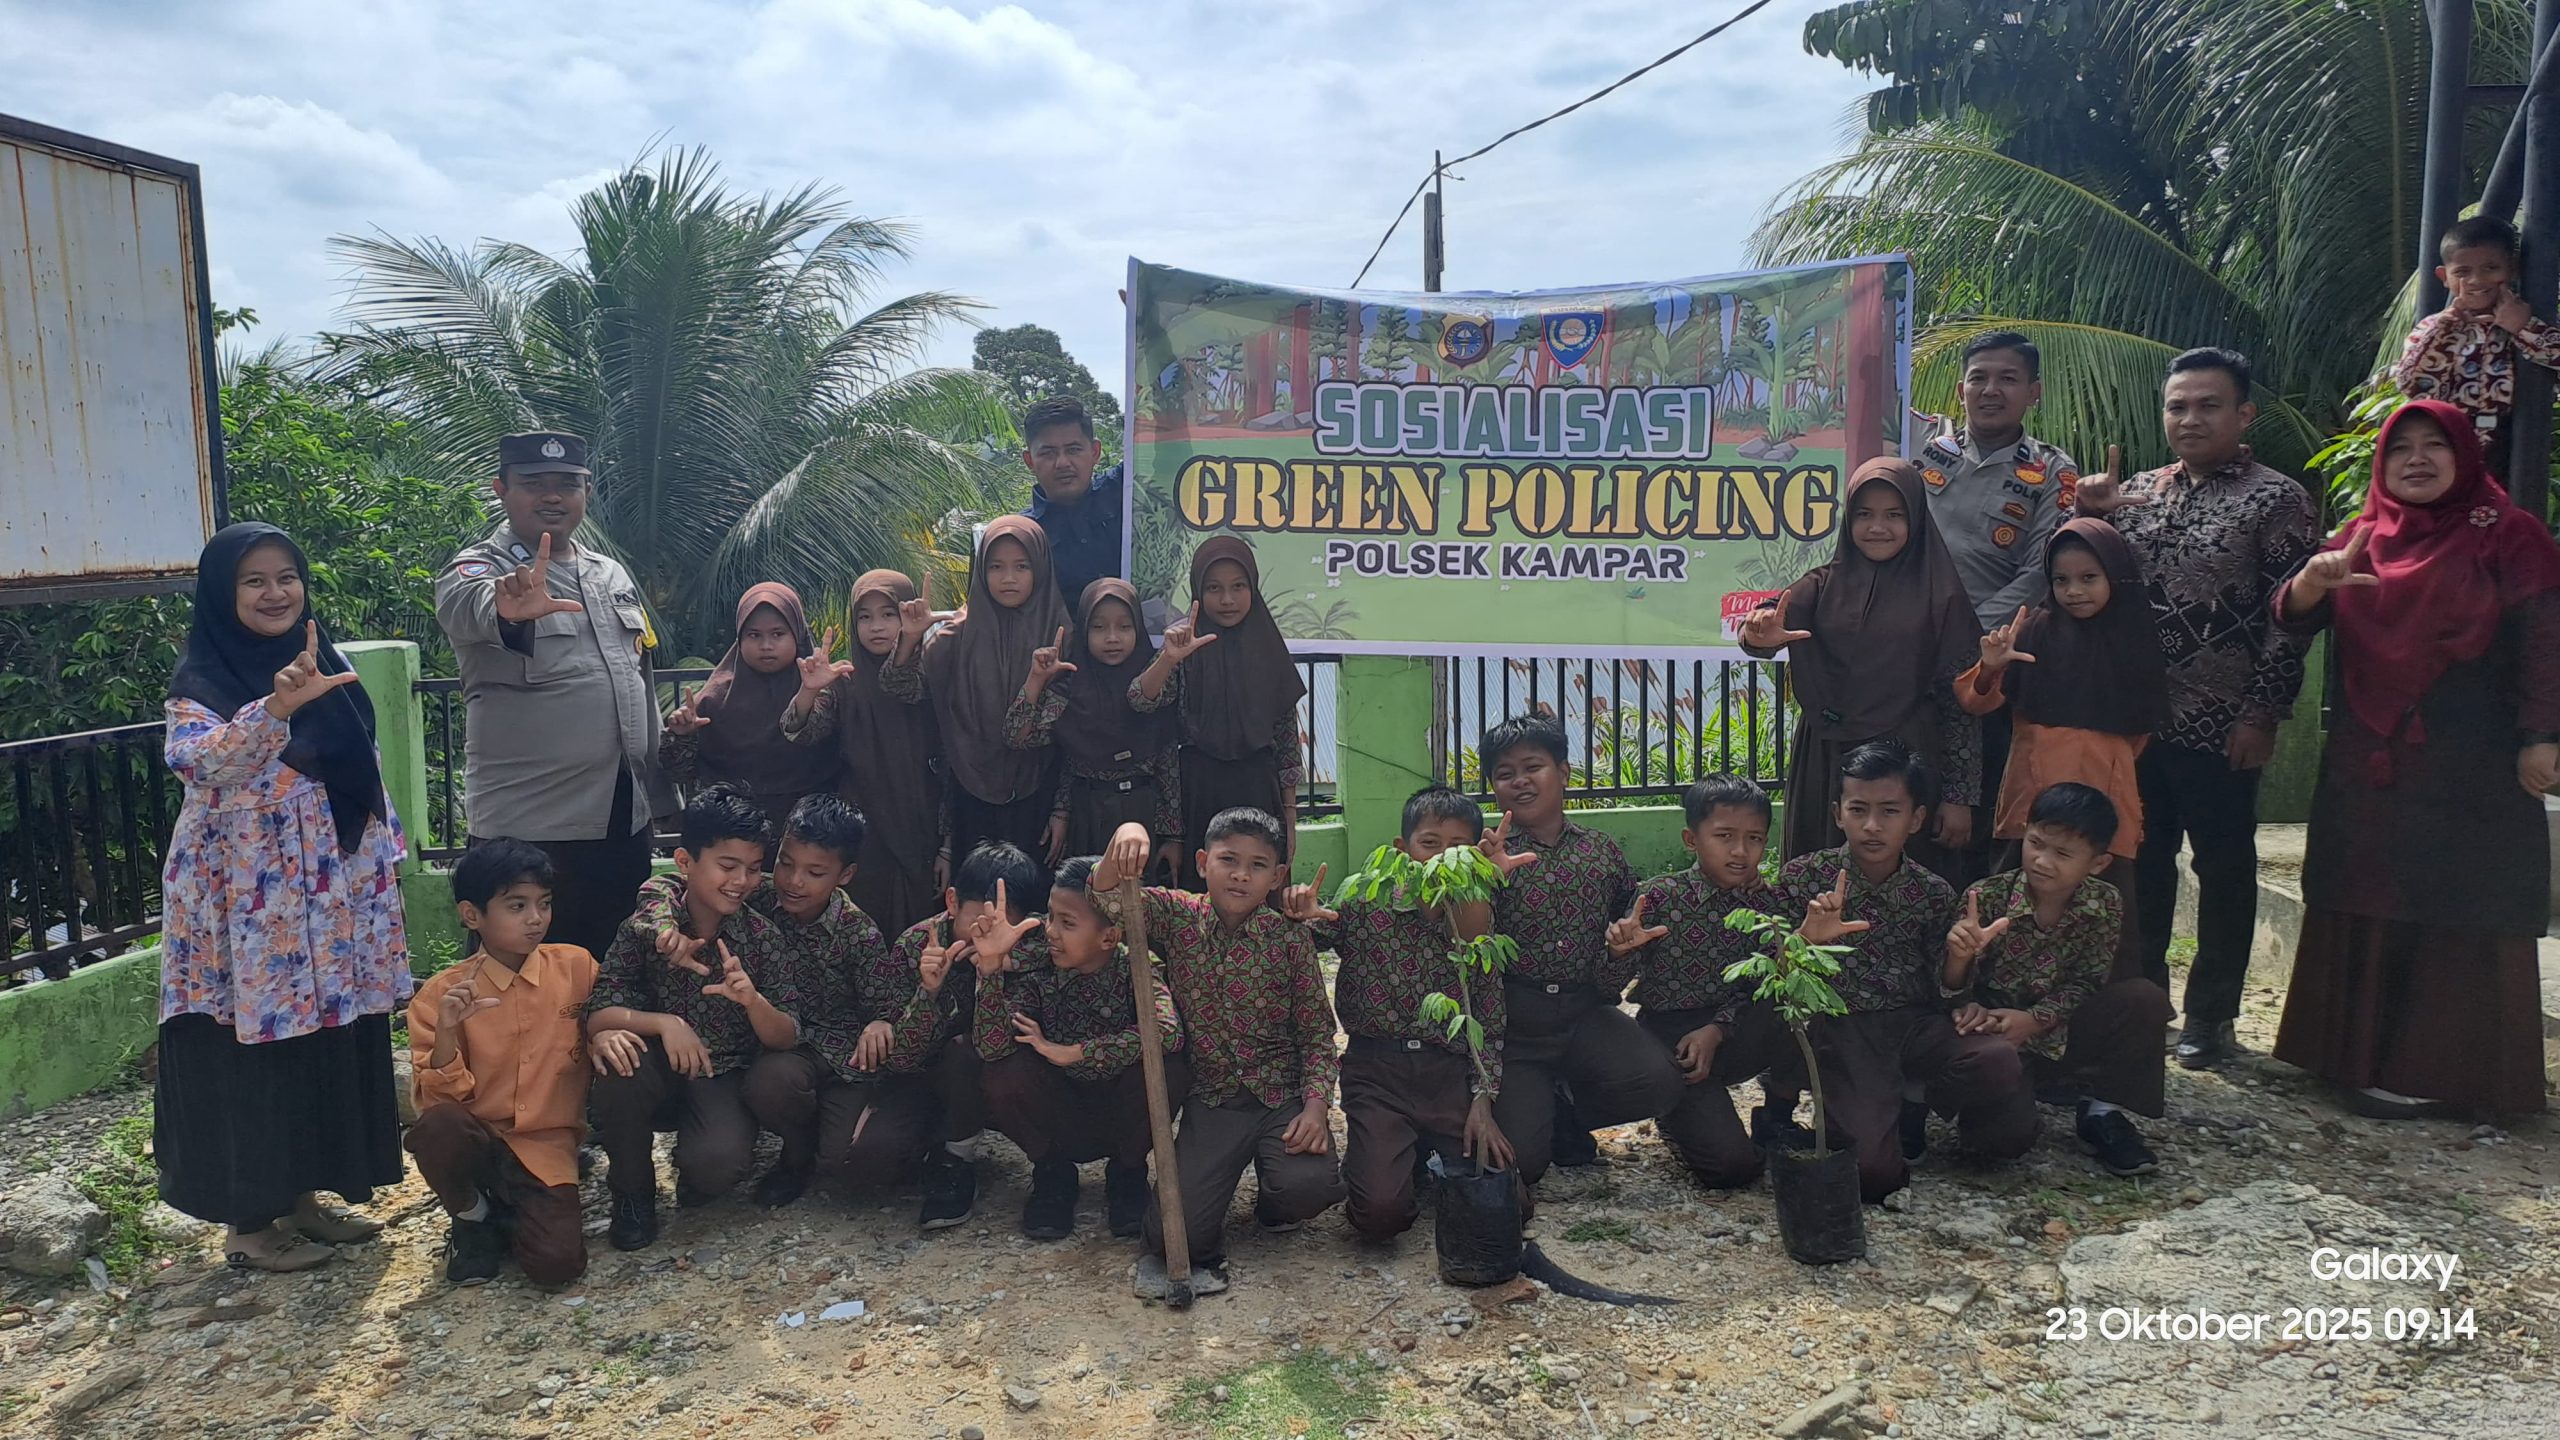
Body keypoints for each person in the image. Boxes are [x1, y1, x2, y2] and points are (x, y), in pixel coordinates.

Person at [2271, 399, 2560, 1118]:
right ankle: (2352, 1060)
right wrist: (2311, 583)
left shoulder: (2510, 534)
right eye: (2401, 449)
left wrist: (2543, 735)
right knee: (2365, 890)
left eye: (2436, 445)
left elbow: (2545, 643)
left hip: (2472, 759)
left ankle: (2446, 1074)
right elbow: (2294, 612)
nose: (2417, 460)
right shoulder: (2364, 533)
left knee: (2458, 896)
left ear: (2468, 455)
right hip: (2369, 757)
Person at [156, 523, 409, 1272]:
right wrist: (272, 709)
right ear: (222, 594)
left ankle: (303, 1195)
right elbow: (200, 764)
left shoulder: (322, 663)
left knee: (321, 1041)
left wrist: (382, 862)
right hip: (246, 910)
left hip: (328, 901)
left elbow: (360, 769)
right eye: (254, 581)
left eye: (286, 577)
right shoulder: (201, 681)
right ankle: (248, 1223)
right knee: (251, 1050)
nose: (275, 593)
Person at [2076, 348, 2318, 1068]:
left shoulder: (2277, 500)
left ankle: (2212, 1015)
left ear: (2244, 415)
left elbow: (2292, 619)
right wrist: (2088, 514)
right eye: (2177, 406)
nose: (2190, 419)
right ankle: (2147, 1000)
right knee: (2143, 863)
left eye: (2208, 405)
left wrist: (2262, 713)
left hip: (2223, 721)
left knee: (2224, 865)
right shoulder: (2137, 492)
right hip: (2138, 722)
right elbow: (2082, 581)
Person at [435, 431, 666, 962]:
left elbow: (635, 674)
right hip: (529, 828)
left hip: (619, 819)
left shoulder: (609, 574)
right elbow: (468, 607)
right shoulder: (479, 568)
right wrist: (507, 611)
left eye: (568, 484)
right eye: (534, 483)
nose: (553, 496)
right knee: (519, 983)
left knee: (615, 973)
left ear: (587, 491)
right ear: (501, 489)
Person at [1094, 811, 1345, 1298]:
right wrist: (1126, 832)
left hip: (1281, 1098)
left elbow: (1317, 1035)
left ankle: (1275, 1199)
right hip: (1213, 1099)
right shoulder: (1177, 916)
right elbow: (1106, 898)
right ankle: (1207, 1197)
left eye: (1257, 865)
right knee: (1176, 1236)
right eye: (1228, 860)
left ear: (1277, 876)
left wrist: (1316, 1108)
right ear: (1203, 862)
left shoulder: (1289, 937)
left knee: (1308, 1186)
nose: (1240, 875)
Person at [1774, 742, 2038, 1204]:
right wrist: (1805, 940)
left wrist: (1959, 956)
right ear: (1838, 814)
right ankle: (1863, 1110)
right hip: (1845, 1029)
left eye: (1889, 811)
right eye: (1859, 810)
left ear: (1916, 819)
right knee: (1873, 1175)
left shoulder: (1932, 891)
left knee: (2000, 1079)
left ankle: (1914, 1100)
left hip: (1915, 1024)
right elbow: (1770, 979)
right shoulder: (1803, 879)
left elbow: (1947, 990)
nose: (1872, 826)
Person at [635, 794, 907, 1209]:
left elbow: (887, 1002)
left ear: (845, 874)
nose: (794, 881)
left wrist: (880, 1022)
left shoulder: (858, 933)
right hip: (780, 1050)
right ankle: (794, 1153)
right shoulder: (756, 893)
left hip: (841, 1060)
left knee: (845, 1161)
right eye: (785, 863)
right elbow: (668, 882)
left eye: (815, 872)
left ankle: (829, 1136)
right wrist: (662, 924)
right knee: (771, 1082)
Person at [1288, 786, 1522, 1242]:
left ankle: (1415, 1155)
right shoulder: (1367, 901)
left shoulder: (1476, 920)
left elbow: (1489, 1017)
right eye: (1429, 844)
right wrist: (1301, 914)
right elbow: (1318, 932)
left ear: (1476, 856)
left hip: (1448, 1073)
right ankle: (1381, 1157)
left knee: (1509, 1202)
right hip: (1378, 1072)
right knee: (1379, 1214)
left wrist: (1483, 1100)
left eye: (1458, 848)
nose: (1441, 859)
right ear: (1403, 849)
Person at [585, 784, 813, 1250]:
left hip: (721, 1074)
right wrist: (665, 1024)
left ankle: (698, 1162)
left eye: (753, 868)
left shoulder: (761, 938)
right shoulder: (648, 929)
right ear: (685, 862)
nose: (741, 881)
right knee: (618, 1061)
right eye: (727, 866)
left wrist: (753, 1001)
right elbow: (598, 1013)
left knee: (716, 1168)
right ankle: (632, 1195)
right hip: (655, 1068)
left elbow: (787, 1035)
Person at [1604, 776, 1853, 1189]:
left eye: (1754, 839)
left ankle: (1776, 1115)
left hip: (1740, 1026)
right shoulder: (1659, 898)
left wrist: (1718, 1028)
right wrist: (1618, 954)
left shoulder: (1769, 904)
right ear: (1691, 839)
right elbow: (1607, 989)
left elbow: (1769, 986)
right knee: (1732, 1168)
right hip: (1674, 1037)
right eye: (1724, 836)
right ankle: (1677, 1113)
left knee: (1800, 1003)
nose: (1740, 851)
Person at [1740, 458, 1982, 877]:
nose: (1877, 527)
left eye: (1894, 515)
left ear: (1916, 519)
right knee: (1816, 876)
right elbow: (1771, 619)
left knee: (1904, 880)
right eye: (1864, 514)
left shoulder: (1941, 595)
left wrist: (1959, 796)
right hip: (1827, 755)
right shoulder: (1824, 583)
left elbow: (1960, 699)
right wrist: (1757, 634)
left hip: (1907, 756)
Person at [408, 839, 633, 1286]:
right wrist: (448, 1033)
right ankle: (471, 1217)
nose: (536, 918)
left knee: (558, 1266)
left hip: (545, 1148)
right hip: (477, 1139)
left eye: (544, 904)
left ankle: (505, 1215)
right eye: (517, 906)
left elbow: (609, 1012)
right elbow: (435, 1104)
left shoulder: (576, 968)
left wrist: (605, 1029)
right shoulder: (441, 995)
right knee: (438, 1129)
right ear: (472, 915)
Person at [1477, 714, 1685, 1193]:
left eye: (1533, 767)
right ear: (1493, 787)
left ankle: (1565, 1110)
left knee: (1659, 1080)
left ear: (1565, 773)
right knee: (1523, 1162)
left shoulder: (1601, 853)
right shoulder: (1484, 856)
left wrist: (1620, 950)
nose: (1520, 781)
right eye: (1506, 774)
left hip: (1583, 1012)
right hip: (1514, 1025)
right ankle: (1540, 1114)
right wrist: (1482, 881)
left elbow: (1626, 928)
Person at [1956, 519, 2169, 976]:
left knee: (2106, 921)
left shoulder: (2134, 638)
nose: (2074, 591)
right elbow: (1975, 700)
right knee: (2010, 911)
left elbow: (2140, 731)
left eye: (2089, 578)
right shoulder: (2033, 632)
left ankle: (2099, 1014)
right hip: (2030, 799)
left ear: (2116, 576)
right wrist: (1991, 668)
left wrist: (2099, 758)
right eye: (2061, 579)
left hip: (2104, 803)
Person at [1914, 331, 2083, 886]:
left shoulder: (2053, 471)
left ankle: (1971, 922)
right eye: (1979, 378)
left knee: (1976, 814)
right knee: (1901, 797)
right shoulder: (1921, 452)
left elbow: (2040, 573)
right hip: (1905, 653)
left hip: (1988, 664)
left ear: (2033, 392)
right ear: (1961, 389)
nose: (1991, 390)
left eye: (2008, 379)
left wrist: (1968, 641)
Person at [1943, 785, 2174, 1178]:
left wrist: (2035, 1019)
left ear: (2098, 863)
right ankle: (2012, 1098)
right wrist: (1959, 958)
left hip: (2060, 1028)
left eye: (2063, 854)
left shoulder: (2104, 903)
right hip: (1998, 1039)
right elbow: (1952, 991)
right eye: (2036, 843)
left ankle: (2101, 1112)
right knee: (1997, 1143)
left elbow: (2088, 980)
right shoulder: (1986, 897)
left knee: (2143, 999)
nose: (2043, 861)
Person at [971, 855, 1185, 1241]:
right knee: (1001, 1073)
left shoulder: (1136, 967)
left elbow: (1169, 1031)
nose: (1051, 931)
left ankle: (1128, 1172)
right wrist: (989, 970)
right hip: (1060, 1109)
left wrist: (1076, 1052)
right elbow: (991, 1048)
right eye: (1051, 917)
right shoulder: (1039, 968)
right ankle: (1053, 1174)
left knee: (1172, 1066)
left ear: (1109, 937)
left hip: (1120, 1110)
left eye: (1067, 923)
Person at [876, 843, 1053, 1230]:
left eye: (1000, 926)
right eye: (978, 921)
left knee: (968, 1054)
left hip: (987, 1074)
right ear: (952, 901)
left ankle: (958, 1159)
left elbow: (993, 1048)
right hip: (922, 1079)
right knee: (874, 1159)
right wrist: (929, 993)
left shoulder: (1030, 943)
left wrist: (996, 966)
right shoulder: (915, 946)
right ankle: (934, 1143)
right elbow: (901, 1058)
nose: (985, 934)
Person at [884, 518, 1069, 869]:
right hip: (968, 793)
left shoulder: (1061, 634)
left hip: (1039, 793)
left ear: (1041, 567)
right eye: (996, 567)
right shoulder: (956, 634)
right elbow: (904, 689)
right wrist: (909, 639)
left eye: (1022, 566)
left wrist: (1062, 808)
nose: (1008, 578)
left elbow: (1068, 735)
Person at [781, 570, 948, 936]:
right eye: (865, 616)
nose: (877, 627)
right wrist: (808, 691)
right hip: (864, 833)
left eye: (889, 614)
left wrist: (948, 847)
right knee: (863, 929)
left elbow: (952, 761)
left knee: (923, 935)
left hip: (924, 828)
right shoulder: (844, 680)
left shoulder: (936, 674)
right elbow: (800, 731)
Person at [1135, 537, 1307, 884]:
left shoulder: (1269, 649)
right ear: (1198, 591)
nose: (1227, 599)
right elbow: (1140, 700)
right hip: (1199, 791)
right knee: (1201, 893)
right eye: (1214, 588)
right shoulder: (1184, 644)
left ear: (1252, 587)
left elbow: (1287, 743)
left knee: (1256, 888)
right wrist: (1169, 659)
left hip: (1259, 790)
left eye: (1238, 586)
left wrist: (1290, 817)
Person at [1006, 577, 1183, 875]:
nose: (1112, 638)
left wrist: (1174, 836)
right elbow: (1018, 737)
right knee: (1086, 897)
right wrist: (1036, 679)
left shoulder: (1155, 681)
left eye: (1124, 627)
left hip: (1143, 814)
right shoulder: (1071, 687)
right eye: (1098, 627)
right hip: (1086, 814)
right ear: (1084, 630)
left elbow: (1167, 760)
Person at [2392, 215, 2560, 478]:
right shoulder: (2433, 327)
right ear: (2444, 276)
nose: (2476, 280)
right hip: (2450, 444)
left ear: (2512, 268)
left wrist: (2523, 327)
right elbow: (2409, 383)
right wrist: (2445, 330)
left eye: (2490, 268)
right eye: (2462, 272)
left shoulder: (2530, 321)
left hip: (2514, 447)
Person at [663, 583, 839, 825]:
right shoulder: (714, 700)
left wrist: (808, 692)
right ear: (739, 638)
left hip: (807, 827)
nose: (766, 645)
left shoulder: (823, 688)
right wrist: (682, 736)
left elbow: (817, 733)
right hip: (732, 828)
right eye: (754, 635)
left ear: (797, 635)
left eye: (778, 634)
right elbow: (680, 773)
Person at [1018, 395, 1127, 606]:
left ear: (1095, 452)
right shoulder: (1021, 537)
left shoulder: (1127, 490)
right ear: (1029, 460)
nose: (1062, 463)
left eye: (1073, 450)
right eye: (1048, 453)